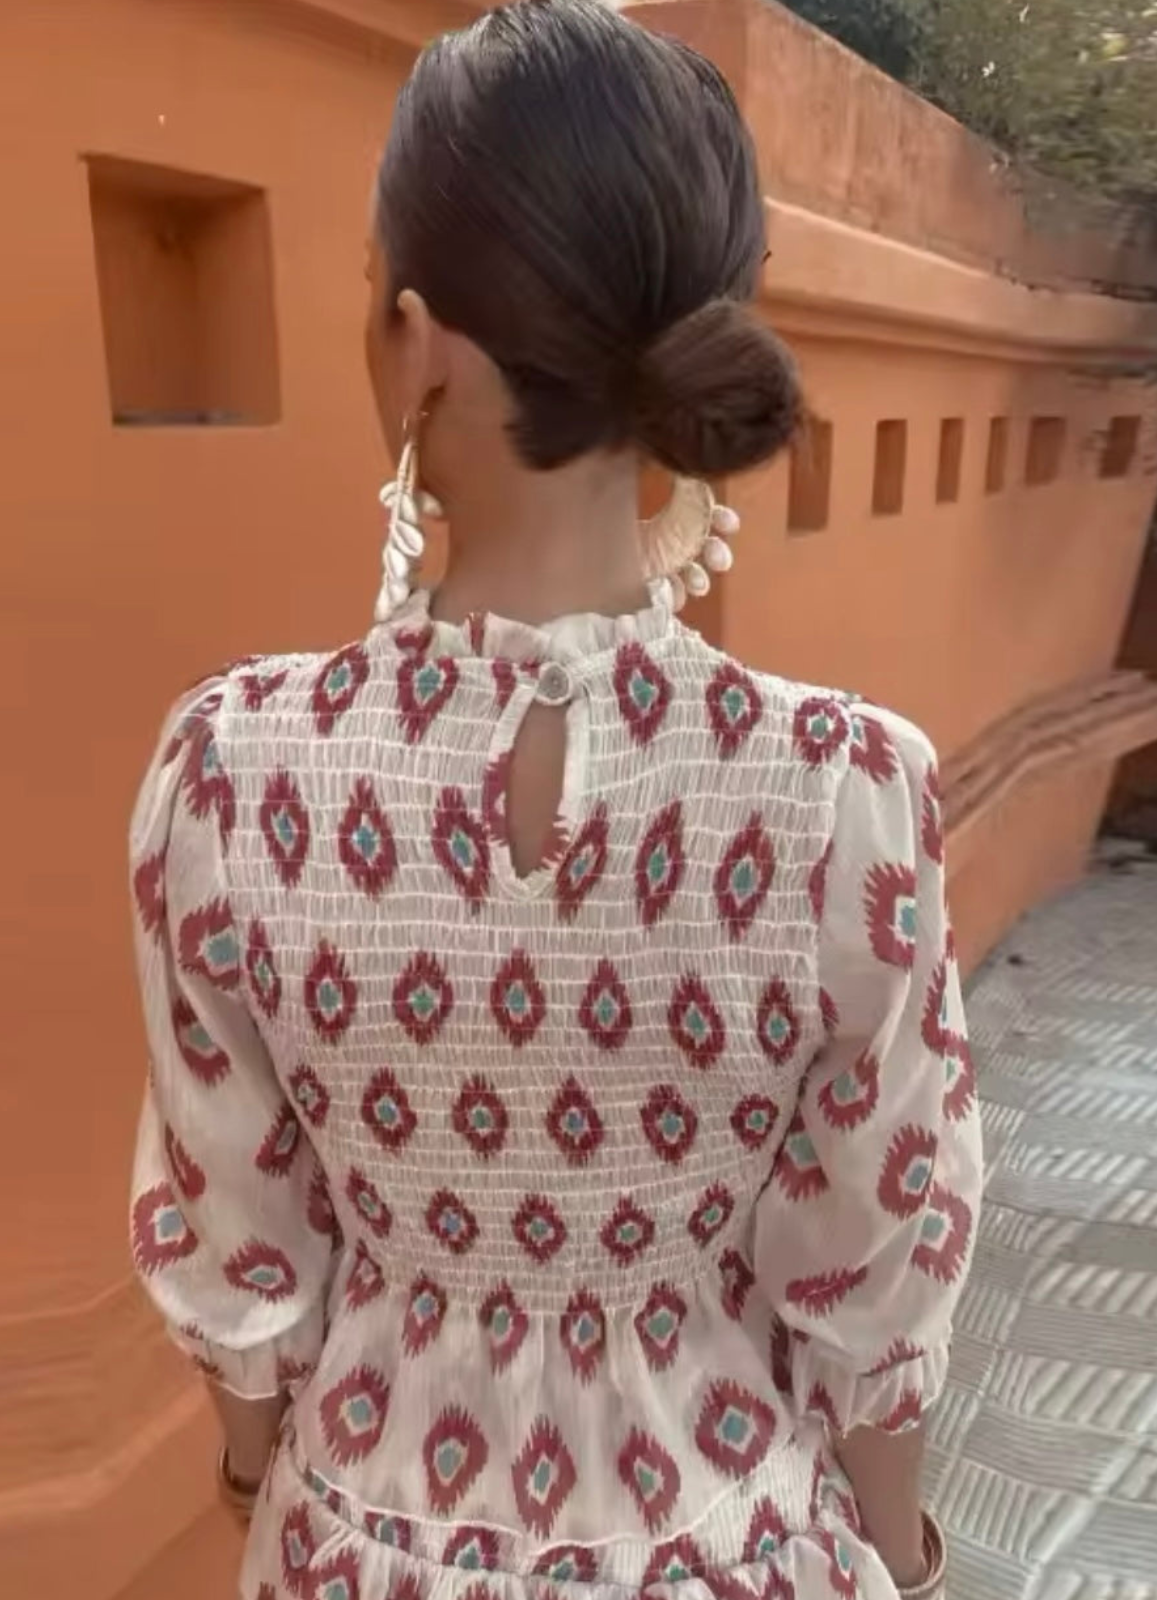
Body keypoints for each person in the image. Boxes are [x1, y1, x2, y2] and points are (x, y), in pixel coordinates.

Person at [128, 4, 983, 1598]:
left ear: (413, 340)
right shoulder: (845, 797)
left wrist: (261, 1475)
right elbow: (876, 1276)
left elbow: (236, 1252)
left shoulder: (231, 778)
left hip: (358, 1544)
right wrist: (899, 1559)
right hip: (736, 1546)